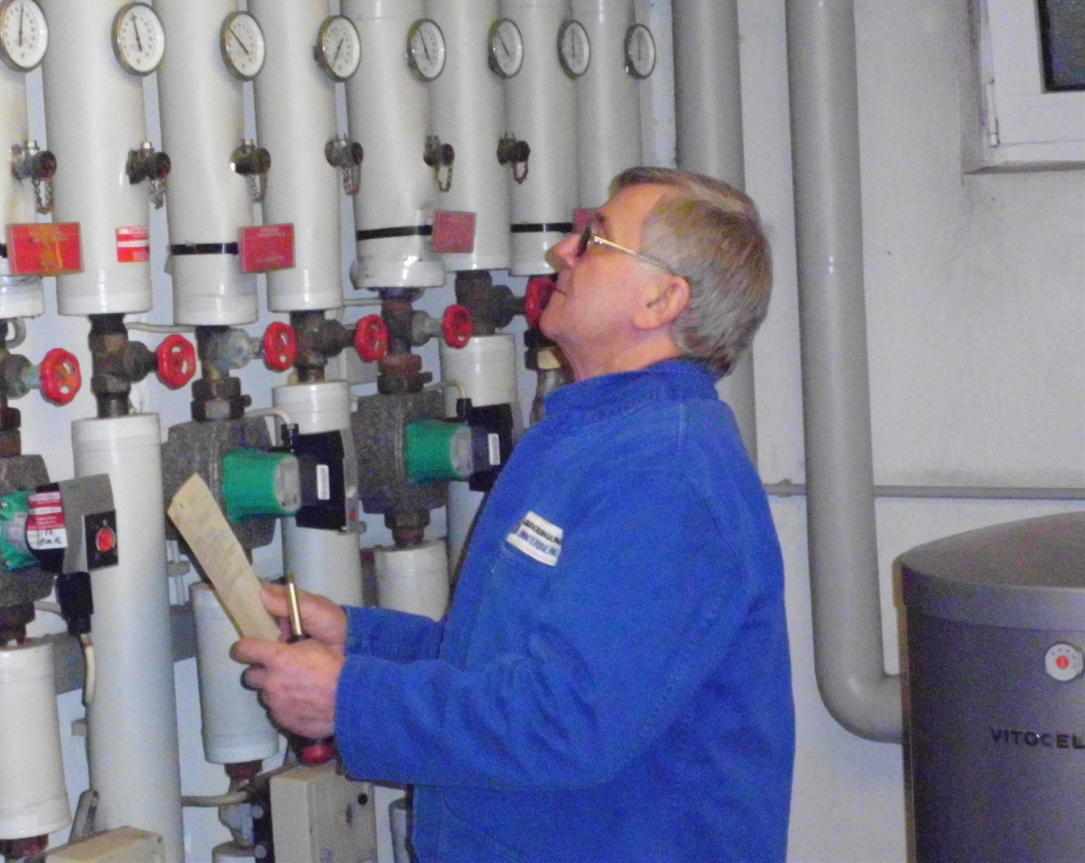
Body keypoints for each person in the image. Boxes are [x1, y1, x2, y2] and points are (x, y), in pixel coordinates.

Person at [234, 167, 795, 862]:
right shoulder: (590, 437)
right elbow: (501, 663)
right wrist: (357, 641)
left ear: (661, 299)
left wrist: (349, 699)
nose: (562, 251)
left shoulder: (665, 474)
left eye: (595, 240)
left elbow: (566, 720)